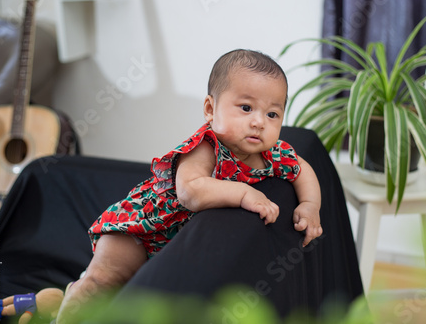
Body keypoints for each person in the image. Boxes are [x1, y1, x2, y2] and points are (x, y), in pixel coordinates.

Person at [55, 49, 323, 323]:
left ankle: (64, 298)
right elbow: (190, 191)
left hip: (171, 249)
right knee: (103, 282)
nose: (258, 122)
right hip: (141, 229)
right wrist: (243, 193)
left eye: (272, 114)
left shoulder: (274, 154)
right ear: (210, 109)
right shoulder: (207, 147)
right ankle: (71, 305)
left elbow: (304, 171)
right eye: (246, 108)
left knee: (129, 298)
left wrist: (310, 205)